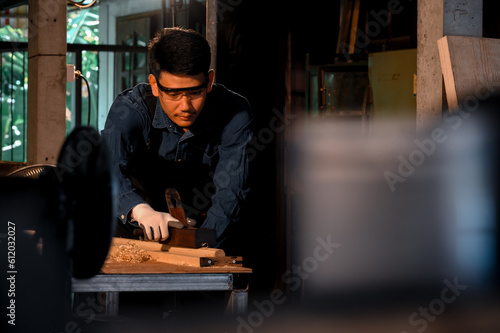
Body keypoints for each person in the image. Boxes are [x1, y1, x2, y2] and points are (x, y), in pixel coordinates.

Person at [101, 27, 253, 248]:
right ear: (154, 85)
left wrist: (200, 248)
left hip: (206, 227)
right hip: (133, 230)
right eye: (173, 94)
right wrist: (138, 209)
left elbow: (233, 191)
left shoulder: (234, 112)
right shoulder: (130, 109)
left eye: (195, 93)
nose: (185, 106)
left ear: (209, 81)